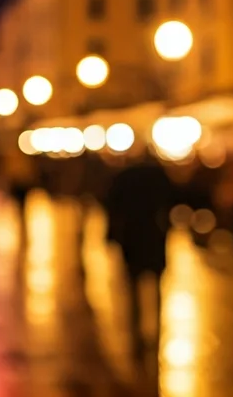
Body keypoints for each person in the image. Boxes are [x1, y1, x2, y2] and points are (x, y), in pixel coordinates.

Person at [105, 150, 175, 354]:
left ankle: (136, 324)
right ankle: (157, 323)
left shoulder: (125, 176)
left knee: (133, 282)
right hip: (154, 234)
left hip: (132, 234)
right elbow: (170, 200)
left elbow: (112, 205)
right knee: (156, 282)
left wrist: (111, 235)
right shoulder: (159, 176)